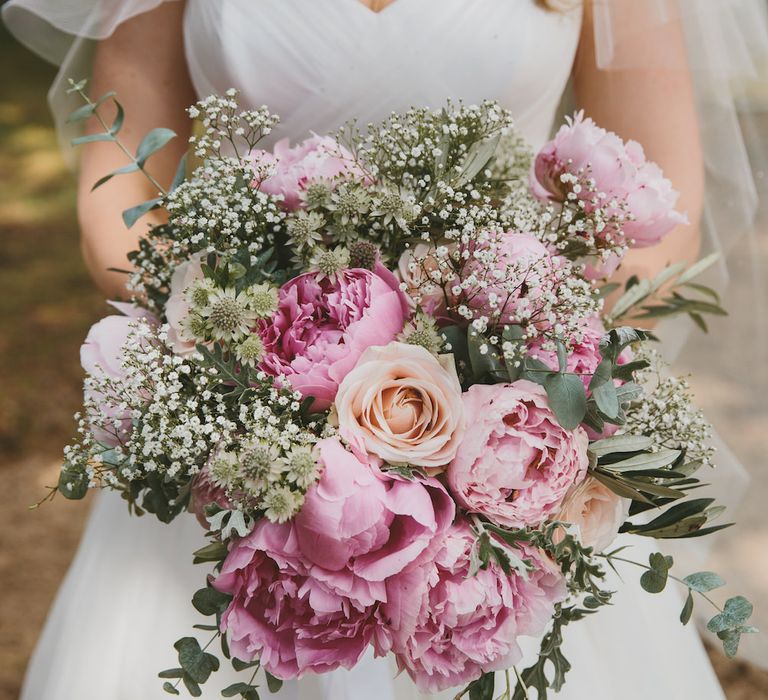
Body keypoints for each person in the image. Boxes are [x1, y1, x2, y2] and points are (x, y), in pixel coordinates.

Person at [3, 0, 766, 698]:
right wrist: (254, 379)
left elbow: (664, 231)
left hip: (505, 449)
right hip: (241, 436)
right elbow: (120, 205)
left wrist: (495, 372)